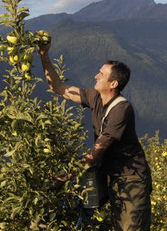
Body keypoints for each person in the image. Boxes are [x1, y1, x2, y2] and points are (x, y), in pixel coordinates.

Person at [38, 40, 152, 231]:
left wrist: (65, 176)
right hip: (114, 177)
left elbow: (97, 152)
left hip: (132, 179)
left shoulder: (121, 110)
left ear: (113, 83)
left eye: (101, 74)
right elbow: (58, 88)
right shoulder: (95, 98)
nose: (96, 75)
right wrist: (43, 55)